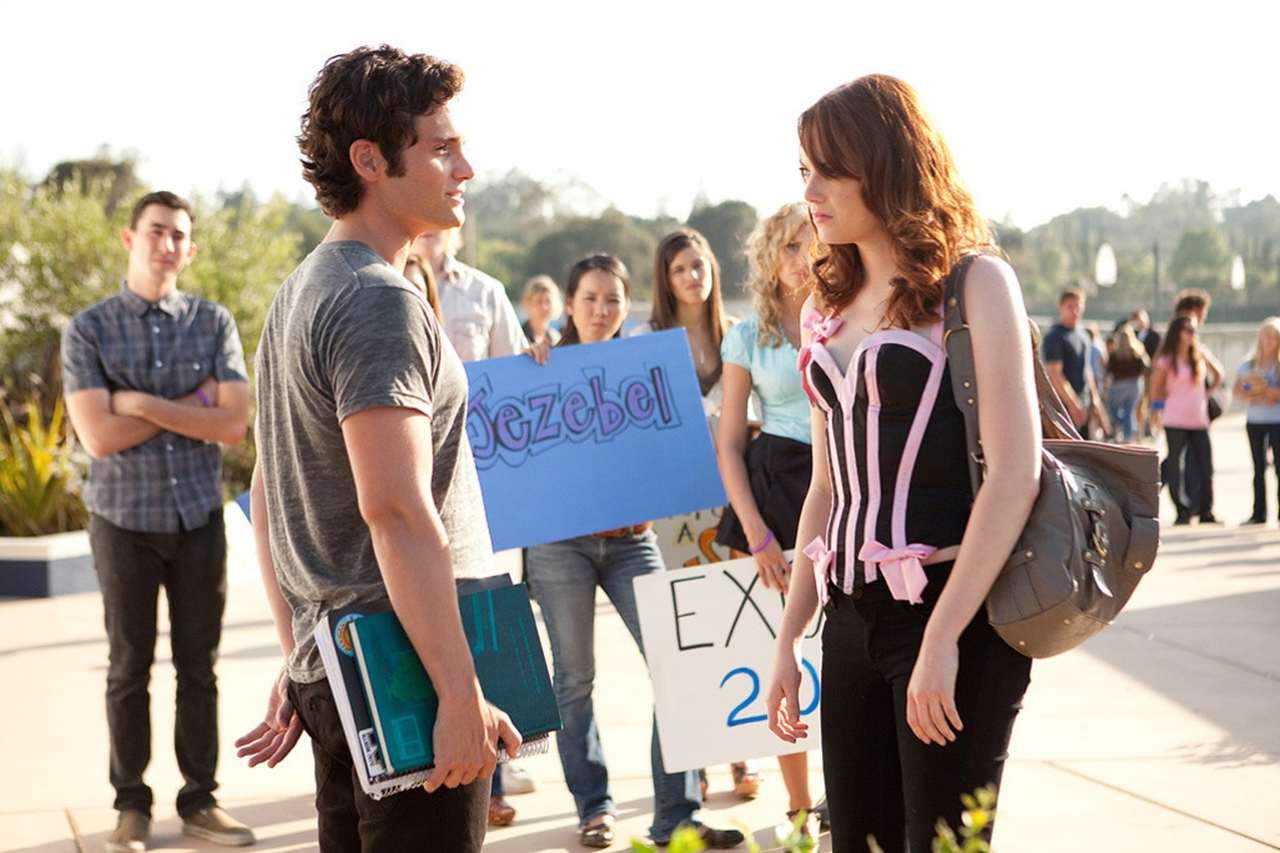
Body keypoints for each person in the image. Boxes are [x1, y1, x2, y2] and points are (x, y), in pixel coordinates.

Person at [235, 46, 524, 853]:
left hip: (340, 668)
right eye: (441, 147)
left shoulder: (298, 292)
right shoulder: (375, 300)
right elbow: (396, 511)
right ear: (369, 161)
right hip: (405, 677)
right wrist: (458, 692)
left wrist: (302, 654)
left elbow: (268, 499)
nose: (465, 167)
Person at [764, 75, 1041, 853]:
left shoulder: (975, 284)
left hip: (958, 614)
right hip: (849, 617)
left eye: (829, 170)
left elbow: (1015, 473)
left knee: (942, 844)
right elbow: (827, 487)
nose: (810, 192)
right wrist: (790, 635)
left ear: (884, 165)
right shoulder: (823, 303)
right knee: (857, 841)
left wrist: (943, 635)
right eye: (804, 171)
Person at [523, 254, 744, 850]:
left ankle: (676, 815)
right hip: (560, 546)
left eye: (613, 300)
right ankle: (594, 807)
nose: (601, 310)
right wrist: (532, 364)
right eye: (590, 298)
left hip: (632, 542)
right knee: (574, 680)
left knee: (677, 664)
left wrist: (659, 495)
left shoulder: (648, 367)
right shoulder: (538, 366)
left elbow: (676, 452)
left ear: (627, 306)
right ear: (570, 304)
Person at [61, 191, 255, 852]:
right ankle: (131, 805)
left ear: (189, 249)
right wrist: (192, 402)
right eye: (156, 231)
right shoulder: (88, 329)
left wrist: (139, 402)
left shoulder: (213, 322)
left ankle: (200, 799)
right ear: (129, 237)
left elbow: (233, 422)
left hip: (197, 517)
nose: (167, 244)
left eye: (178, 235)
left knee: (199, 667)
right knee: (129, 667)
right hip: (124, 522)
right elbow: (98, 437)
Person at [640, 228, 763, 800]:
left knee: (740, 626)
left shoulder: (740, 335)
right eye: (680, 269)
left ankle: (743, 752)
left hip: (736, 503)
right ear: (665, 281)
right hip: (674, 511)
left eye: (699, 265)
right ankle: (702, 759)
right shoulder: (645, 341)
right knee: (691, 635)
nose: (693, 276)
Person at [713, 202, 822, 838]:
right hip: (774, 490)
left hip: (844, 483)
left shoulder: (846, 317)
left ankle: (851, 795)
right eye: (790, 247)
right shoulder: (748, 336)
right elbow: (729, 443)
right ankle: (800, 808)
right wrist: (755, 533)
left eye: (814, 245)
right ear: (769, 255)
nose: (804, 259)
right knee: (780, 655)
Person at [412, 227, 528, 360]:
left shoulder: (487, 291)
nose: (427, 223)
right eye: (420, 216)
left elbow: (509, 363)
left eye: (436, 217)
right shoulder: (390, 287)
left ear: (453, 227)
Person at [1150, 314, 1222, 525]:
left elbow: (1218, 374)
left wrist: (1207, 393)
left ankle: (1206, 511)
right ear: (1177, 333)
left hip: (1199, 419)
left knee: (1206, 466)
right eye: (1188, 330)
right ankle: (1182, 510)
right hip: (1175, 419)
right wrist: (1156, 412)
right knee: (1175, 465)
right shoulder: (1167, 359)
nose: (1192, 334)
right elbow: (1156, 389)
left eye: (1194, 330)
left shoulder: (1200, 354)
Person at [1042, 289, 1109, 436]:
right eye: (1070, 306)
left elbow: (1087, 370)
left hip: (1083, 405)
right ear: (1061, 307)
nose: (1075, 311)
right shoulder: (1054, 337)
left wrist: (1094, 399)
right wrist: (1073, 404)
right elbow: (1055, 374)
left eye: (1078, 306)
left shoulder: (1083, 335)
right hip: (1062, 408)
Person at [1233, 317, 1280, 524]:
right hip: (1255, 421)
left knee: (1279, 466)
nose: (1270, 340)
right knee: (1258, 468)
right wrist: (1253, 393)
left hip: (1277, 420)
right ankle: (1258, 513)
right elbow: (1237, 391)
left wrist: (1268, 391)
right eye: (1266, 335)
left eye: (1274, 336)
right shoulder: (1248, 365)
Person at [1105, 323, 1150, 443]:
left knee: (1113, 409)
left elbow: (1109, 370)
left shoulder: (1116, 353)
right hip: (1135, 385)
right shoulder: (1137, 351)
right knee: (1129, 411)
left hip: (1119, 385)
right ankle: (1128, 433)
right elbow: (1146, 367)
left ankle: (1126, 429)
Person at [1130, 309, 1161, 438]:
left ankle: (1154, 426)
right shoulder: (1132, 334)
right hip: (1138, 374)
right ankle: (1141, 429)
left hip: (1152, 373)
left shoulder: (1154, 335)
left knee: (1154, 400)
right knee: (1139, 402)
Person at [521, 274, 563, 345]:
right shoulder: (518, 336)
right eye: (539, 301)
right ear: (528, 303)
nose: (544, 307)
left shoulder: (557, 338)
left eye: (548, 301)